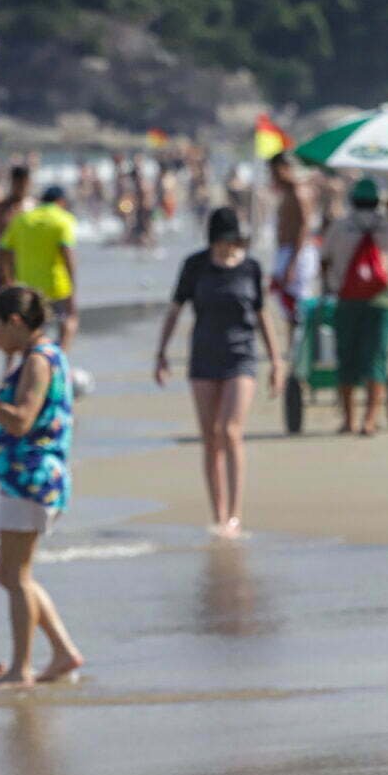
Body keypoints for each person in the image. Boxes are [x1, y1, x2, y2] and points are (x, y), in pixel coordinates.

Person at [0, 286, 85, 686]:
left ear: (14, 322)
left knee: (15, 576)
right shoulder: (37, 357)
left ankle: (21, 668)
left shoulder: (39, 361)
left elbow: (21, 420)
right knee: (12, 574)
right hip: (24, 478)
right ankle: (62, 652)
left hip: (32, 478)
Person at [155, 208, 282, 539]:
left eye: (234, 240)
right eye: (223, 241)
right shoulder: (194, 266)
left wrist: (277, 361)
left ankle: (236, 516)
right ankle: (219, 515)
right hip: (203, 358)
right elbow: (174, 310)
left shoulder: (251, 268)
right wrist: (162, 352)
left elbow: (262, 315)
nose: (228, 247)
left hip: (241, 357)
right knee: (210, 438)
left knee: (230, 430)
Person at [321, 178, 388, 436]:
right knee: (376, 358)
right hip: (380, 301)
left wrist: (327, 287)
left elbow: (324, 259)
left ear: (352, 200)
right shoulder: (386, 226)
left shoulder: (340, 226)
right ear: (376, 201)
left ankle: (349, 420)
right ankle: (370, 420)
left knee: (347, 358)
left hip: (347, 299)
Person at [0, 185, 79, 352]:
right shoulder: (63, 219)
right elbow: (67, 253)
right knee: (69, 320)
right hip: (57, 286)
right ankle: (57, 360)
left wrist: (8, 280)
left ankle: (33, 362)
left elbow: (3, 251)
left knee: (33, 331)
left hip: (27, 288)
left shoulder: (22, 219)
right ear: (61, 202)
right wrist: (73, 286)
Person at [268, 152, 320, 336]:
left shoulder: (299, 191)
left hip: (297, 253)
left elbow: (304, 226)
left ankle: (302, 351)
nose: (272, 177)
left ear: (285, 169)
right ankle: (294, 351)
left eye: (274, 172)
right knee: (288, 306)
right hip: (288, 252)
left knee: (297, 306)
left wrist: (292, 263)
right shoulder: (288, 192)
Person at [0, 164, 32, 297]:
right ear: (12, 182)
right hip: (0, 267)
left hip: (27, 267)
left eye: (24, 183)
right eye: (18, 183)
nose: (21, 187)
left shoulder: (33, 208)